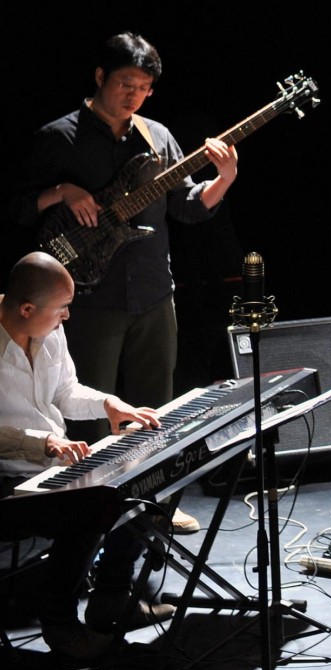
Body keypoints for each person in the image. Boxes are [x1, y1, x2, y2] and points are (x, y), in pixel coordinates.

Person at [8, 31, 240, 535]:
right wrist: (61, 192)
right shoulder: (59, 137)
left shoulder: (157, 137)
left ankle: (156, 503)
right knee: (92, 412)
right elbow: (19, 207)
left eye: (143, 87)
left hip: (154, 291)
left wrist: (221, 181)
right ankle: (90, 513)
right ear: (100, 77)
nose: (133, 94)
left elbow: (184, 206)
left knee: (157, 406)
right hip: (89, 299)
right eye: (125, 83)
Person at [0, 252, 176, 660]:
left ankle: (112, 597)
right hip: (6, 478)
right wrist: (41, 443)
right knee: (86, 510)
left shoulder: (46, 331)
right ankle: (60, 626)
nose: (66, 318)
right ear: (27, 309)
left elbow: (65, 392)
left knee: (141, 480)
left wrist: (109, 404)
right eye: (61, 309)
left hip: (48, 467)